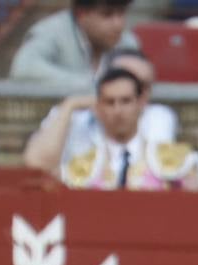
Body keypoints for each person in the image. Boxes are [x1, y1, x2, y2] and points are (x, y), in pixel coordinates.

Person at [23, 48, 178, 175]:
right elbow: (37, 165)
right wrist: (70, 105)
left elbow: (153, 175)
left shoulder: (157, 116)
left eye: (144, 86)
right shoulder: (70, 114)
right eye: (122, 78)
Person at [60, 68, 198, 191]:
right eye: (110, 102)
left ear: (141, 103)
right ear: (98, 108)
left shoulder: (174, 159)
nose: (118, 110)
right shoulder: (83, 167)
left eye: (125, 101)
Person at [9, 0, 139, 87]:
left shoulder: (127, 41)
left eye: (121, 13)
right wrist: (91, 84)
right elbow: (23, 68)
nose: (118, 24)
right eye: (107, 15)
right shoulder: (51, 31)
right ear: (81, 15)